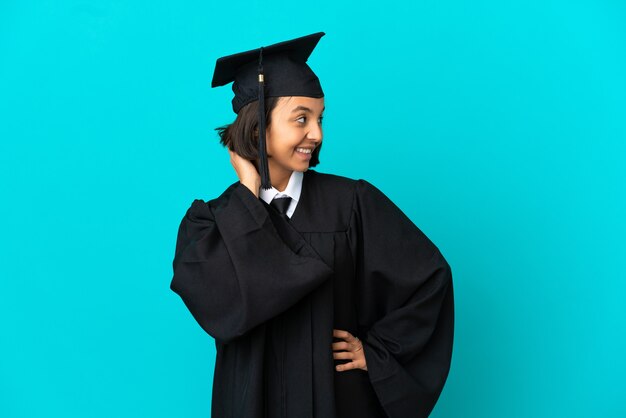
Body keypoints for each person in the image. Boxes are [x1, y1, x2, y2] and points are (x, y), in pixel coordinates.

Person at [170, 32, 454, 418]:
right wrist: (248, 195)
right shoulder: (211, 222)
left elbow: (429, 280)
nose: (316, 134)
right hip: (251, 402)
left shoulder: (351, 204)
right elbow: (221, 311)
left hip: (338, 400)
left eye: (319, 119)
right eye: (301, 118)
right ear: (257, 128)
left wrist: (377, 352)